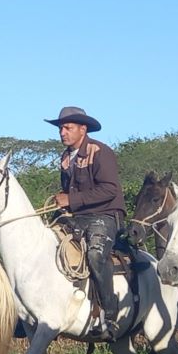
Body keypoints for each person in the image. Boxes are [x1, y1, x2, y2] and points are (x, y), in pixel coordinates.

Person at [48, 105, 125, 341]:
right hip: (78, 216)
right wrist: (61, 202)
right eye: (61, 128)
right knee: (45, 243)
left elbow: (110, 190)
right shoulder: (65, 157)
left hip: (105, 214)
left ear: (83, 129)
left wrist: (71, 199)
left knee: (95, 255)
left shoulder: (100, 151)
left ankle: (110, 315)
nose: (63, 132)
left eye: (68, 128)